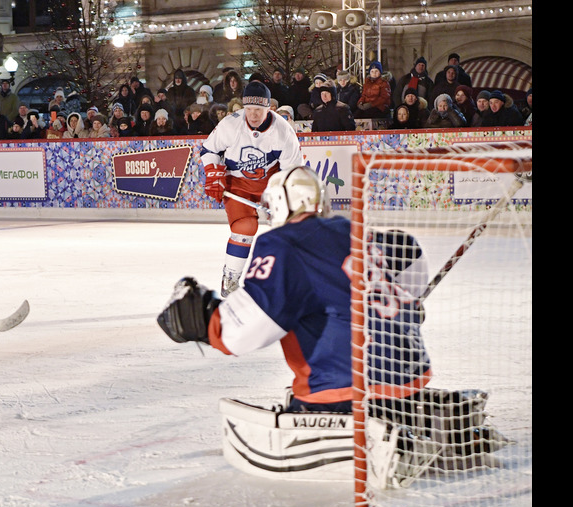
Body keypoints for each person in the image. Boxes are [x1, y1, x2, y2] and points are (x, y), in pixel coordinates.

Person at [156, 165, 432, 413]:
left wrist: (207, 323)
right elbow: (409, 251)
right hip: (412, 380)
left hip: (346, 391)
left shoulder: (285, 243)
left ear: (278, 204)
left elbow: (245, 330)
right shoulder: (355, 229)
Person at [199, 81, 304, 296]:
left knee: (287, 230)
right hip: (237, 185)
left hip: (271, 186)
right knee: (244, 227)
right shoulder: (231, 124)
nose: (253, 115)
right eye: (249, 110)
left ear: (269, 108)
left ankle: (286, 281)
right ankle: (231, 279)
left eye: (258, 110)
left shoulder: (283, 131)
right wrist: (213, 174)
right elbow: (209, 150)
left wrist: (284, 198)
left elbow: (292, 172)